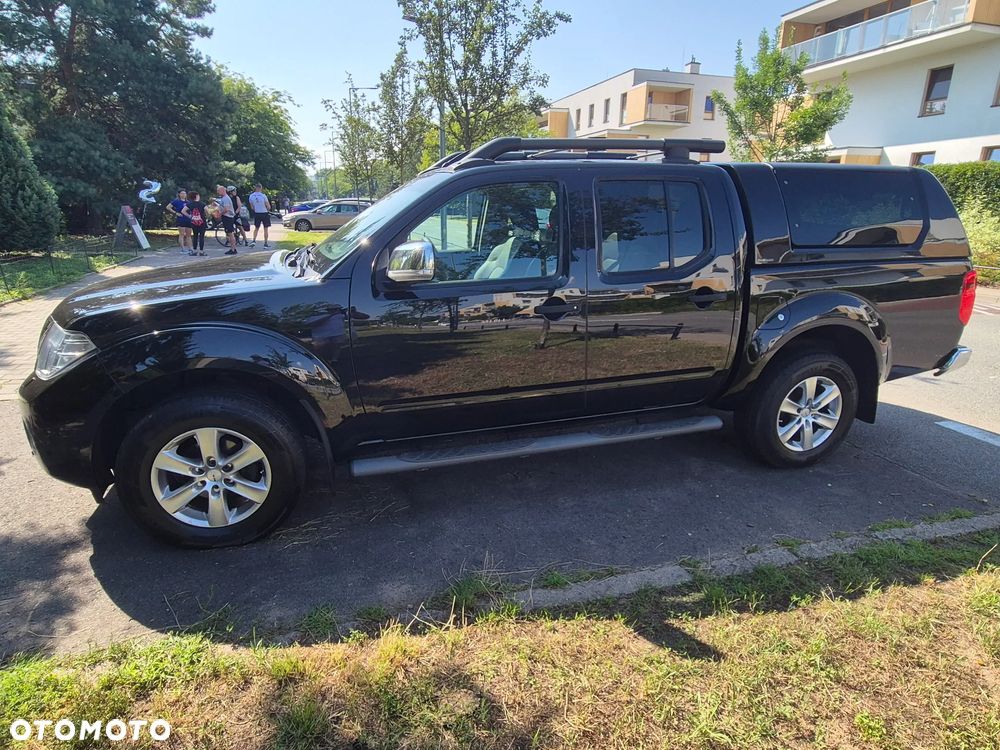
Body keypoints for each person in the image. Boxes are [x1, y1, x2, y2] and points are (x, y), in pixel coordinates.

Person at [183, 190, 208, 256]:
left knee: (195, 236)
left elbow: (183, 211)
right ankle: (201, 251)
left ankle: (194, 250)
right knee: (201, 236)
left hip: (194, 221)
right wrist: (206, 215)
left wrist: (189, 216)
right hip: (202, 221)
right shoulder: (202, 204)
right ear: (196, 196)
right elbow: (207, 210)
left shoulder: (190, 204)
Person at [248, 183, 271, 248]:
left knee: (256, 228)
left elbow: (252, 207)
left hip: (257, 213)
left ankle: (254, 240)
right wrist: (267, 208)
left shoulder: (251, 196)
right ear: (261, 188)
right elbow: (268, 206)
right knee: (265, 228)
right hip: (264, 213)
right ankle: (265, 243)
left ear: (255, 188)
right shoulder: (263, 196)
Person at [216, 184, 237, 254]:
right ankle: (232, 248)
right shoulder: (224, 198)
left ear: (222, 190)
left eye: (218, 191)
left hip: (228, 217)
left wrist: (220, 213)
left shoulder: (225, 198)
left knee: (230, 233)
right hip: (226, 217)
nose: (218, 192)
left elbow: (226, 209)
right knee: (229, 233)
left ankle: (233, 249)